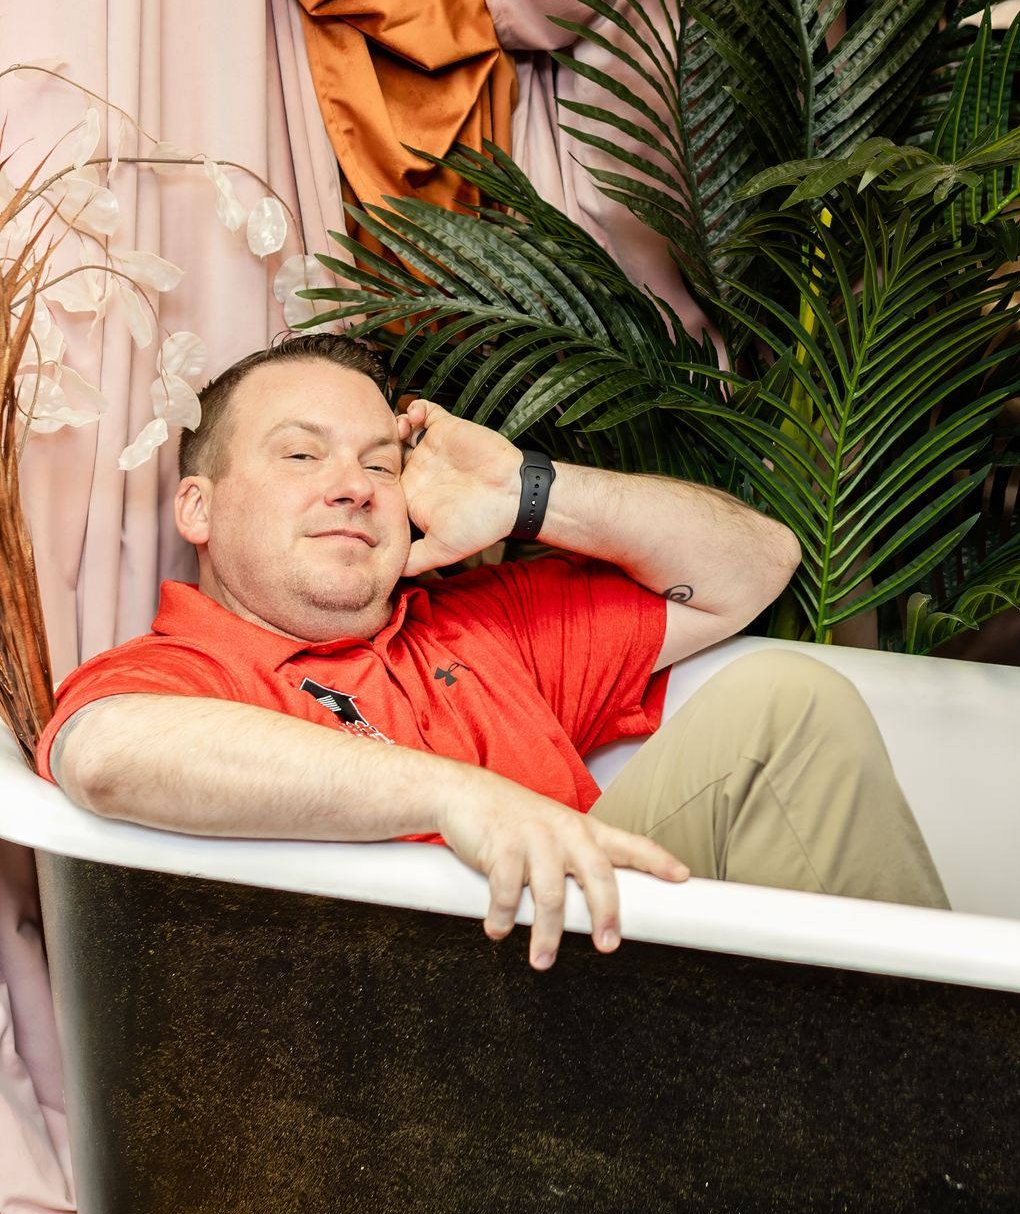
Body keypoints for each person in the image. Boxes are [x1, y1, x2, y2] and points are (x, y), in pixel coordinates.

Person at [39, 333, 949, 963]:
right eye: (301, 457)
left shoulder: (481, 625)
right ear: (198, 507)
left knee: (784, 704)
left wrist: (528, 490)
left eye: (381, 464)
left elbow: (758, 565)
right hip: (387, 1083)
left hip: (593, 988)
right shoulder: (186, 672)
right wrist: (459, 795)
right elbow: (108, 756)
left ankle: (947, 1122)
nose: (353, 487)